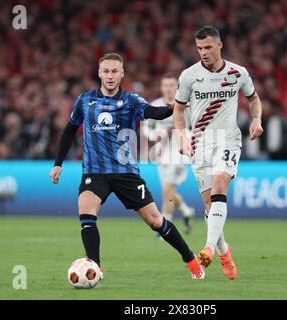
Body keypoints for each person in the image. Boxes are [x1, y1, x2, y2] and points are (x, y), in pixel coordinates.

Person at [49, 53, 205, 279]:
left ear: (122, 74)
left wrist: (173, 108)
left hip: (126, 174)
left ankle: (190, 259)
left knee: (156, 221)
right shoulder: (85, 100)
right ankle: (96, 267)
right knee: (86, 213)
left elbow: (153, 112)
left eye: (115, 71)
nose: (110, 76)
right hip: (95, 172)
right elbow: (69, 130)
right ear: (99, 73)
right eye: (106, 71)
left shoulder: (131, 100)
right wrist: (58, 164)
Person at [173, 26, 264, 280]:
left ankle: (209, 249)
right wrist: (181, 135)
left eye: (208, 47)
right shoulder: (189, 76)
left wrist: (256, 119)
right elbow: (178, 111)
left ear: (220, 45)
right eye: (199, 48)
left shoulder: (238, 73)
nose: (203, 52)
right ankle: (224, 251)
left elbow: (254, 98)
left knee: (220, 184)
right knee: (209, 204)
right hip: (200, 142)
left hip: (228, 139)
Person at [143, 73, 195, 239]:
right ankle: (186, 211)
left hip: (180, 153)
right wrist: (156, 134)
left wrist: (181, 133)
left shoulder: (186, 106)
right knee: (168, 191)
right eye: (165, 85)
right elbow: (146, 129)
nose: (168, 88)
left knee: (167, 189)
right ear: (161, 87)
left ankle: (165, 225)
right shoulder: (155, 105)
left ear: (177, 87)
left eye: (172, 85)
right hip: (162, 154)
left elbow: (195, 128)